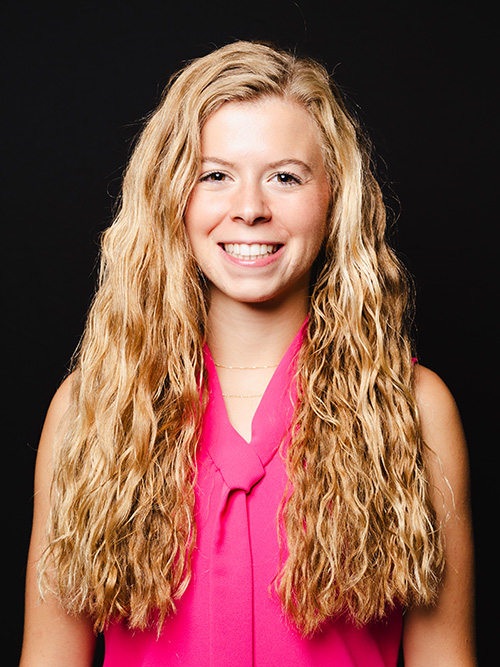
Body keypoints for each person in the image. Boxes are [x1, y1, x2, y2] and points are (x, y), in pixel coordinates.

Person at [20, 41, 475, 666]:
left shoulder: (414, 409)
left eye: (286, 177)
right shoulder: (89, 410)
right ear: (170, 196)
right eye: (215, 175)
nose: (251, 209)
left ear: (334, 197)